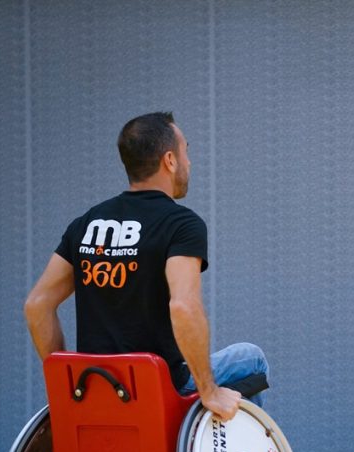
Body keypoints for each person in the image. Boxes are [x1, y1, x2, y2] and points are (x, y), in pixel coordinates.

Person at [24, 111, 266, 421]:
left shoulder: (86, 224)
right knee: (252, 359)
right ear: (169, 160)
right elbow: (183, 307)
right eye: (186, 152)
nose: (189, 162)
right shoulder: (181, 224)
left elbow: (37, 305)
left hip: (95, 382)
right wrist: (209, 391)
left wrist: (66, 384)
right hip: (156, 382)